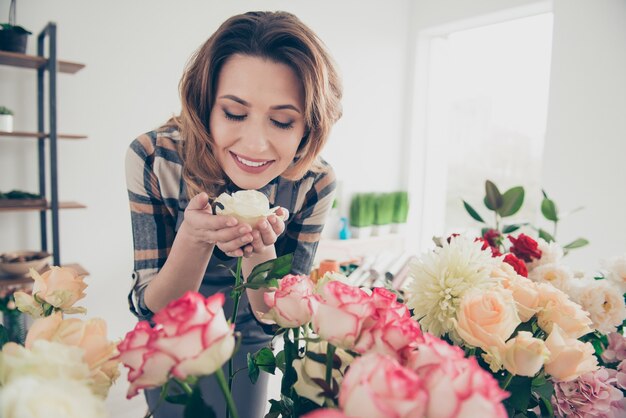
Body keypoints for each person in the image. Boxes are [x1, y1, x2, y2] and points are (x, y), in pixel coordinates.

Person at [125, 10, 342, 418]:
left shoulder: (314, 182)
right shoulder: (155, 158)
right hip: (172, 338)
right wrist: (194, 238)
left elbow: (279, 320)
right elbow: (150, 307)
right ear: (205, 105)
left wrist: (261, 253)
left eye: (281, 121)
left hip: (251, 342)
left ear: (308, 129)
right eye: (234, 113)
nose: (255, 144)